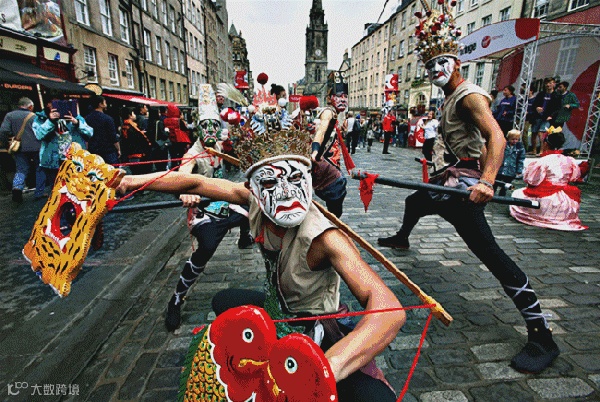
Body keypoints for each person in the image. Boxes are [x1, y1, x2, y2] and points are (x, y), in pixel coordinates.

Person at [117, 96, 405, 400]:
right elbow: (195, 184)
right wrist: (130, 181)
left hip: (315, 332)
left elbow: (390, 310)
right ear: (253, 188)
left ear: (308, 180)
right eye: (269, 183)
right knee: (224, 303)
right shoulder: (254, 201)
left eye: (296, 178)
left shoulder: (324, 237)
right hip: (277, 309)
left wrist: (324, 369)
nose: (285, 191)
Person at [377, 6, 559, 374]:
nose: (435, 71)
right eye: (429, 67)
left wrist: (487, 181)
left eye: (440, 63)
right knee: (415, 200)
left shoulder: (469, 96)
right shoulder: (450, 96)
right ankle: (402, 237)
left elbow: (496, 137)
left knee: (491, 255)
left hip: (463, 188)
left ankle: (542, 335)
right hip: (447, 181)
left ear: (456, 62)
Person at [164, 83, 253, 332]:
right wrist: (185, 190)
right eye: (207, 127)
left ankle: (245, 237)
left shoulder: (219, 146)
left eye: (215, 126)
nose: (212, 131)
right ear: (199, 129)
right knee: (206, 248)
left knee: (254, 210)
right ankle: (176, 299)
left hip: (225, 204)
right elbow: (183, 172)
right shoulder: (193, 154)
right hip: (204, 212)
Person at [510, 131, 587, 231]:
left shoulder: (544, 160)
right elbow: (574, 177)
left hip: (549, 198)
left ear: (546, 144)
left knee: (518, 194)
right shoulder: (569, 160)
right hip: (565, 198)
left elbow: (532, 180)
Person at [310, 71, 350, 218]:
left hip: (329, 163)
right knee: (336, 192)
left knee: (335, 206)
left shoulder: (335, 114)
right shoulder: (328, 112)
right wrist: (315, 150)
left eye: (345, 96)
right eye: (339, 96)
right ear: (330, 98)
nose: (343, 100)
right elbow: (321, 130)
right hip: (324, 163)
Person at [33, 106, 93, 186]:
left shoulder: (75, 116)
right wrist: (50, 121)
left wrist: (77, 123)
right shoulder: (41, 118)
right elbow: (39, 135)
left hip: (75, 160)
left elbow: (90, 133)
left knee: (77, 187)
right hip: (52, 161)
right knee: (56, 188)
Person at [0, 97, 44, 202]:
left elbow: (3, 131)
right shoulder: (35, 116)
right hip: (36, 147)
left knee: (21, 169)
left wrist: (6, 143)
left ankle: (17, 187)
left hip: (19, 147)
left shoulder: (10, 115)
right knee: (39, 168)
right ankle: (39, 192)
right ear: (30, 106)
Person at [85, 96, 121, 165]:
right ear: (100, 104)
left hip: (93, 150)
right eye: (105, 102)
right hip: (108, 151)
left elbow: (86, 136)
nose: (106, 104)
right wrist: (118, 149)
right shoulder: (108, 119)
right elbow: (113, 136)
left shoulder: (87, 118)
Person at [530, 77, 561, 155]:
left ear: (554, 84)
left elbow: (558, 108)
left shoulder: (556, 95)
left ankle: (541, 151)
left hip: (547, 118)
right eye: (546, 83)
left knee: (541, 133)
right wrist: (537, 108)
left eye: (550, 83)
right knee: (534, 133)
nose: (548, 85)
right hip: (537, 116)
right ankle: (534, 150)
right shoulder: (541, 94)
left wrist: (551, 116)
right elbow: (534, 104)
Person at [119, 107, 153, 175]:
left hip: (130, 153)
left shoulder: (124, 126)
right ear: (130, 115)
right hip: (137, 153)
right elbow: (141, 139)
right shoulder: (132, 127)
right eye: (133, 113)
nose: (135, 115)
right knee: (139, 173)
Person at [495, 129, 525, 196]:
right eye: (513, 139)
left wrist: (519, 170)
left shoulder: (520, 148)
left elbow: (520, 159)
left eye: (516, 139)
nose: (515, 141)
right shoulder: (503, 145)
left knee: (507, 184)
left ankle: (502, 196)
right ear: (508, 138)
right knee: (496, 182)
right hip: (501, 168)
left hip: (511, 169)